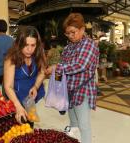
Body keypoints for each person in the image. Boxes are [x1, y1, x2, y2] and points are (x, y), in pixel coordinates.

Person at [46, 13, 99, 143]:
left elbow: (81, 65)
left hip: (82, 91)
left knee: (83, 125)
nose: (70, 36)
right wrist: (57, 85)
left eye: (73, 32)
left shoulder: (89, 45)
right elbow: (62, 66)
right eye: (67, 33)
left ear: (82, 29)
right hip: (68, 91)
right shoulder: (68, 47)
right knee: (73, 123)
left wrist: (57, 68)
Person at [4, 26, 46, 124]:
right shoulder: (11, 58)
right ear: (19, 44)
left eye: (33, 45)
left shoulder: (38, 54)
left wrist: (36, 86)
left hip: (32, 99)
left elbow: (42, 72)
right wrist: (18, 106)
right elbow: (8, 86)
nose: (29, 49)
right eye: (26, 45)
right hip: (16, 98)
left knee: (31, 126)